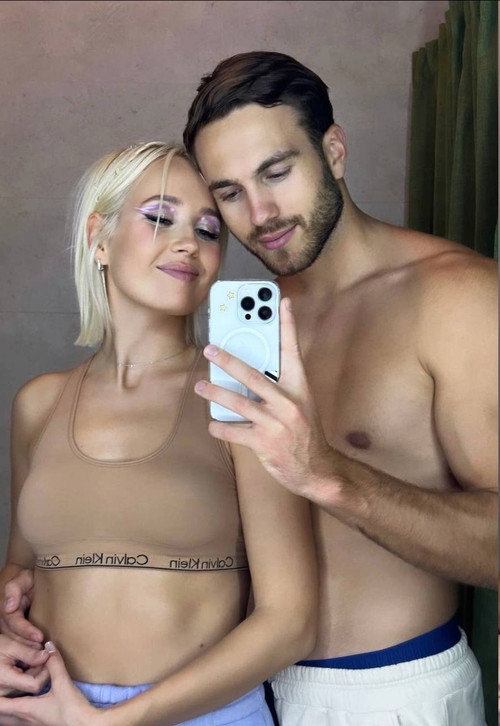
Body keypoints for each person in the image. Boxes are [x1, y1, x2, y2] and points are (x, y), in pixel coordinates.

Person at [178, 52, 496, 724]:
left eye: (276, 172)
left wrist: (328, 474)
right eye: (230, 192)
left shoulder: (457, 297)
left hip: (390, 692)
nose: (260, 212)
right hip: (242, 694)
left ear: (334, 150)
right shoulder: (250, 321)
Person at [0, 140, 317, 725]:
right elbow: (21, 574)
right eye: (160, 217)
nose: (189, 243)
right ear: (98, 238)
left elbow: (290, 622)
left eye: (208, 230)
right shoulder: (37, 405)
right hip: (45, 710)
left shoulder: (241, 397)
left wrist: (109, 724)